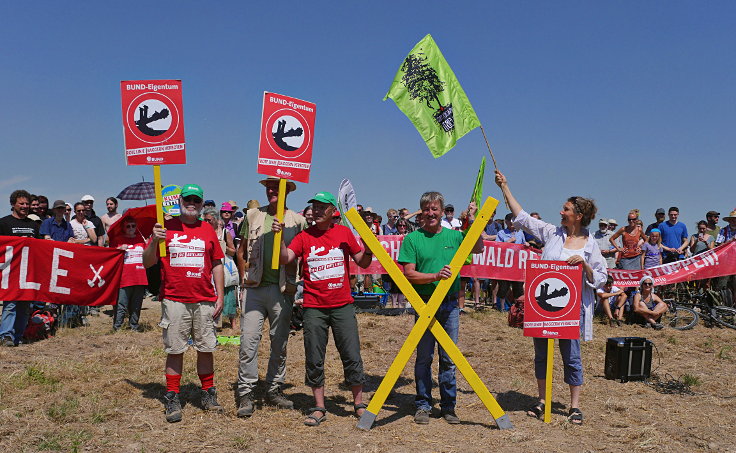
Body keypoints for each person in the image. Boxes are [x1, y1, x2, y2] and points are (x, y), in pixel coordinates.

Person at [495, 170, 607, 426]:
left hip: (571, 309)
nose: (560, 212)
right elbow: (522, 217)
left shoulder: (591, 244)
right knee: (542, 356)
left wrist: (585, 266)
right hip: (543, 308)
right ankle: (542, 399)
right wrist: (505, 186)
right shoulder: (551, 233)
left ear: (578, 215)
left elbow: (601, 277)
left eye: (565, 209)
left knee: (572, 357)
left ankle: (574, 406)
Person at [273, 191, 372, 426]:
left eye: (320, 207)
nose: (315, 211)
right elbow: (285, 258)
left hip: (342, 306)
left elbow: (363, 262)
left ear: (331, 211)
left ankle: (358, 404)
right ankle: (319, 406)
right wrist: (278, 238)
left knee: (351, 354)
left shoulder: (343, 233)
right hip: (314, 307)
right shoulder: (305, 236)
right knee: (314, 356)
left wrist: (368, 248)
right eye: (313, 207)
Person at [398, 191, 486, 425]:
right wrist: (435, 276)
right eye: (426, 209)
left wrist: (475, 220)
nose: (431, 213)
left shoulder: (455, 237)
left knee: (449, 358)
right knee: (424, 358)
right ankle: (423, 404)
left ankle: (448, 407)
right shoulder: (412, 239)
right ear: (421, 213)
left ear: (442, 211)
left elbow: (477, 248)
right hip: (424, 304)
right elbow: (409, 274)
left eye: (435, 209)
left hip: (448, 306)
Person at [142, 183, 225, 423]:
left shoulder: (207, 229)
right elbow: (148, 263)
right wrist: (152, 242)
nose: (191, 203)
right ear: (179, 202)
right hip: (175, 298)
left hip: (204, 299)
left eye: (196, 200)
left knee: (206, 347)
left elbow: (217, 263)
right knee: (175, 349)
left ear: (201, 204)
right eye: (187, 199)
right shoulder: (165, 227)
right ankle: (172, 396)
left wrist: (220, 295)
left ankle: (208, 393)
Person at [235, 178, 307, 417]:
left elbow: (304, 254)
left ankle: (274, 388)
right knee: (248, 341)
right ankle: (246, 391)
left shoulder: (298, 221)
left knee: (280, 342)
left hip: (283, 289)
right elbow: (241, 249)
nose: (271, 190)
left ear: (287, 191)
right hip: (255, 288)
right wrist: (242, 274)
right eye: (268, 187)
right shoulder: (253, 215)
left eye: (276, 187)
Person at [0, 190, 41, 346]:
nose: (25, 206)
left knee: (25, 307)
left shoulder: (33, 225)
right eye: (21, 203)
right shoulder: (3, 223)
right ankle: (6, 336)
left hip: (28, 272)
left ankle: (18, 336)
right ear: (13, 204)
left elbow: (40, 249)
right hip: (10, 272)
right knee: (10, 304)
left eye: (27, 204)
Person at [110, 217, 148, 332]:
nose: (131, 228)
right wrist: (119, 249)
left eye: (133, 226)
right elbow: (110, 255)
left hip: (140, 276)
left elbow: (148, 256)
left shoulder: (141, 240)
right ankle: (117, 327)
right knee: (121, 304)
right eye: (128, 226)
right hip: (124, 277)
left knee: (136, 305)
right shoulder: (118, 239)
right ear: (123, 228)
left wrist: (148, 244)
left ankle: (134, 326)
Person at [203, 207, 237, 332]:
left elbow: (233, 251)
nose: (207, 223)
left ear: (216, 220)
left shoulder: (224, 232)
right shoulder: (203, 231)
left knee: (228, 295)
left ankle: (232, 322)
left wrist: (221, 246)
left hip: (223, 266)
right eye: (205, 220)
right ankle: (214, 323)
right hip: (208, 268)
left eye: (209, 221)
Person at [494, 213, 526, 311]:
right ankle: (502, 308)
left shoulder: (520, 233)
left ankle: (518, 308)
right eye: (510, 221)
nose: (512, 224)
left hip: (517, 264)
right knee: (503, 286)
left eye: (514, 222)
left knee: (518, 287)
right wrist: (508, 241)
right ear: (506, 222)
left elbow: (523, 244)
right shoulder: (501, 233)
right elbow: (496, 246)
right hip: (505, 264)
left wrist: (526, 244)